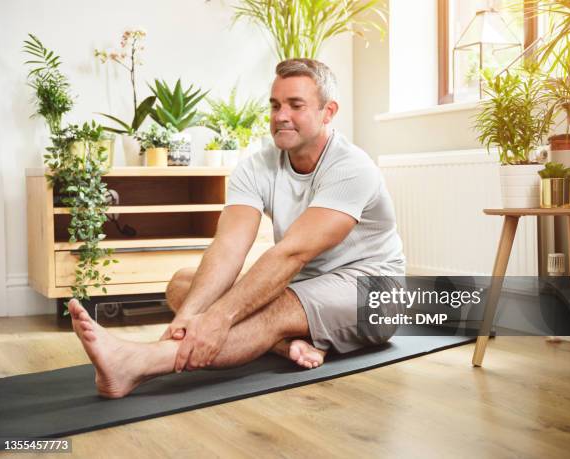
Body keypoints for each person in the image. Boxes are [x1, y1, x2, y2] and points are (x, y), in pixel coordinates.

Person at [68, 58, 406, 399]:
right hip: (306, 286)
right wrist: (187, 319)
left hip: (372, 291)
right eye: (275, 105)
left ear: (328, 112)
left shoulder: (352, 168)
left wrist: (219, 318)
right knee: (183, 285)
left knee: (266, 308)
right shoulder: (256, 166)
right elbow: (229, 246)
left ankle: (135, 363)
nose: (281, 116)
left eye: (296, 105)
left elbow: (292, 254)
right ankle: (287, 344)